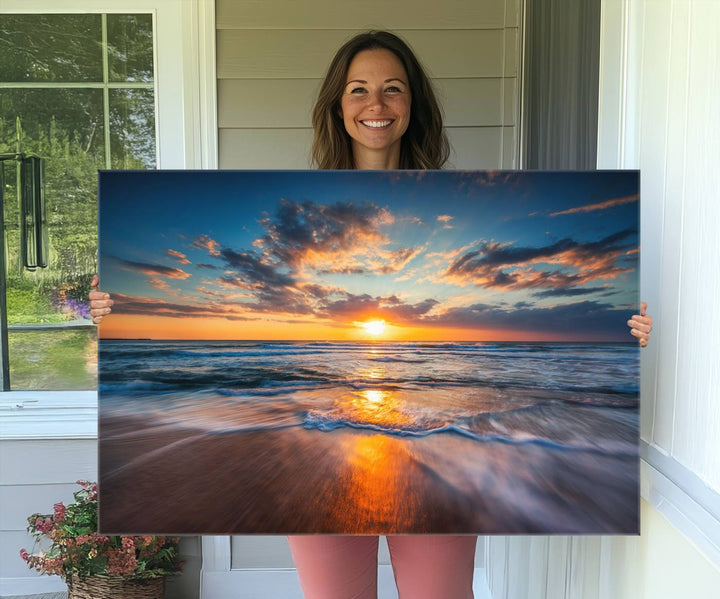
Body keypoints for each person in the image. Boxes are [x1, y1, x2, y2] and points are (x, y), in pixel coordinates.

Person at [89, 30, 653, 599]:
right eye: (358, 90)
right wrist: (114, 305)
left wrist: (623, 329)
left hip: (435, 437)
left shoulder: (452, 206)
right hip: (319, 435)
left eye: (392, 89)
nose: (376, 105)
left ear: (413, 105)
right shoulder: (295, 200)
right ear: (338, 105)